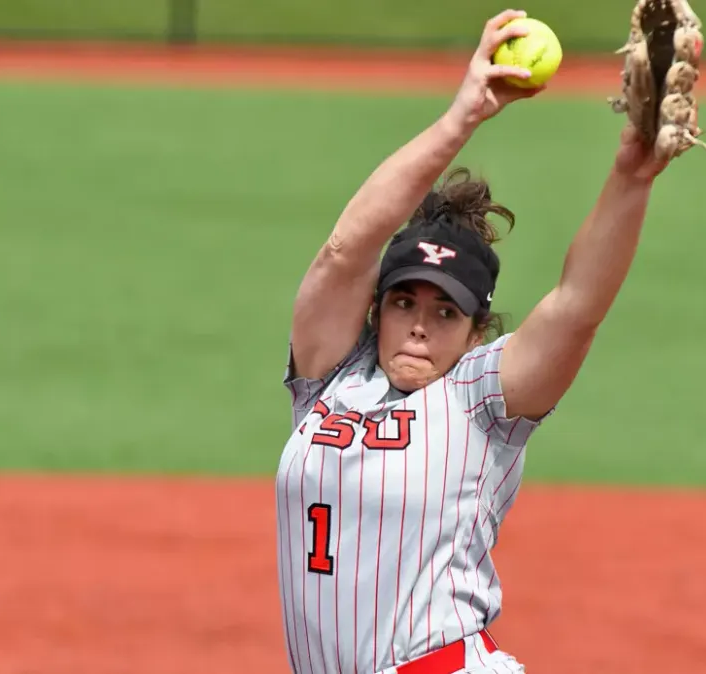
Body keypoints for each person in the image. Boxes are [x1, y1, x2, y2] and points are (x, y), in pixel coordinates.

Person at [275, 9, 672, 674]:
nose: (421, 324)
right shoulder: (328, 378)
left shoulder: (480, 401)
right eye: (403, 300)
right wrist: (464, 114)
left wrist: (632, 176)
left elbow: (576, 308)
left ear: (477, 330)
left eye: (446, 311)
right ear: (377, 309)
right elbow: (345, 251)